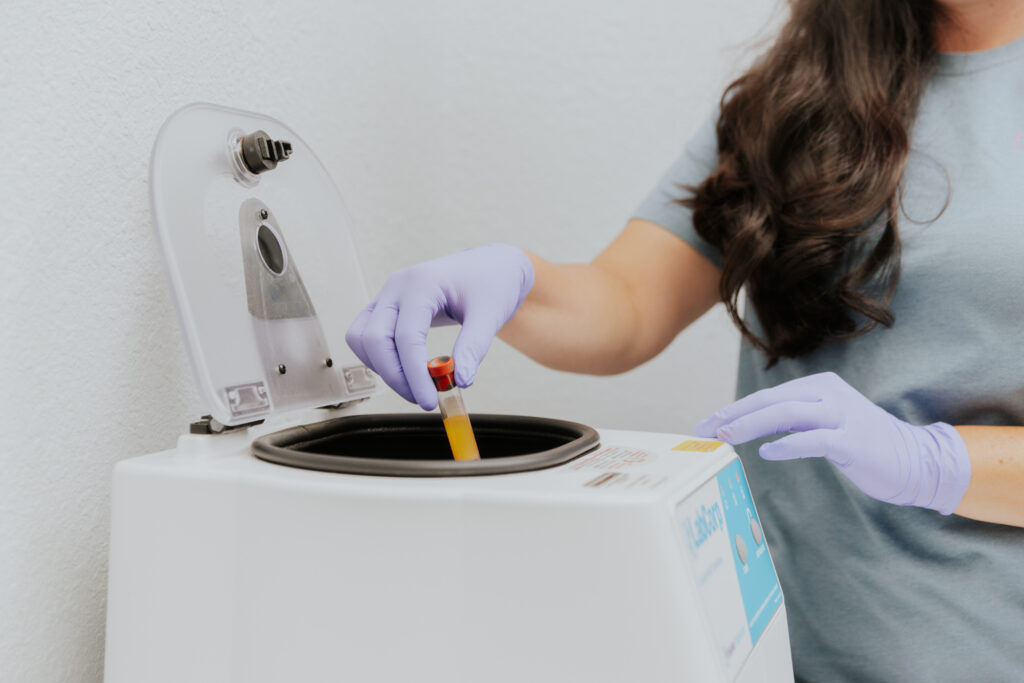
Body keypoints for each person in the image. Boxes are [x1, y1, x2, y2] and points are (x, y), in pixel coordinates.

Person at [346, 0, 1024, 679]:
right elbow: (630, 303)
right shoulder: (807, 85)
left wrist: (930, 461)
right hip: (762, 649)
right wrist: (516, 283)